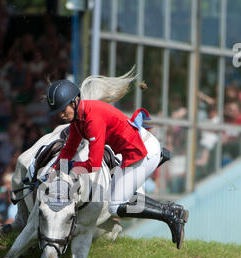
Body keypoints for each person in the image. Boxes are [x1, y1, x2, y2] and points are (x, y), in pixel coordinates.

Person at [46, 79, 189, 249]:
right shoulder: (79, 118)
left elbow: (94, 164)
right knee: (116, 196)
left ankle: (171, 215)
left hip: (143, 152)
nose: (61, 114)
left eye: (63, 109)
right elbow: (69, 148)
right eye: (58, 111)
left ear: (75, 101)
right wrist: (52, 171)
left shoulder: (92, 119)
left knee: (114, 206)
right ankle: (172, 211)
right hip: (135, 148)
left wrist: (71, 167)